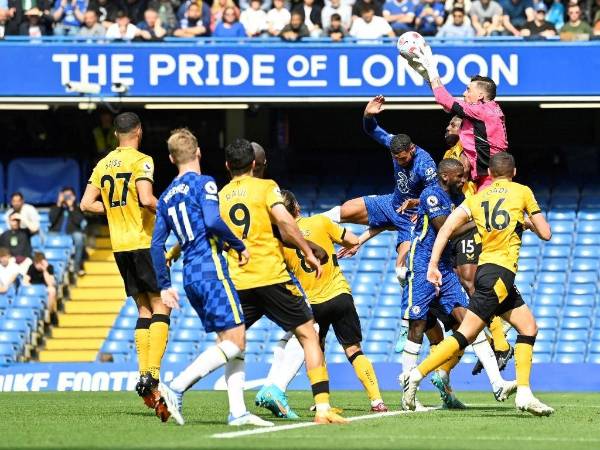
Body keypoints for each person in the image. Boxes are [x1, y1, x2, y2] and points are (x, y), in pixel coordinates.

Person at [404, 153, 554, 417]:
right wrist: (528, 221)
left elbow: (447, 229)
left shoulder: (476, 198)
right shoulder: (522, 192)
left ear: (491, 174)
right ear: (514, 171)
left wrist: (433, 264)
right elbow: (546, 233)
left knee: (529, 327)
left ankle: (524, 393)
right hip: (500, 274)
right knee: (466, 334)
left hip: (490, 273)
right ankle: (416, 375)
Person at [219, 138, 346, 424]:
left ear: (228, 165)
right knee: (308, 332)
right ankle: (319, 405)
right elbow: (286, 225)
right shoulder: (266, 188)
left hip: (239, 278)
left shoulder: (223, 195)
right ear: (256, 164)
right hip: (271, 276)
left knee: (230, 342)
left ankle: (180, 385)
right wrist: (308, 249)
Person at [150, 129, 271, 427]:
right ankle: (176, 387)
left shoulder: (165, 197)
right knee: (237, 339)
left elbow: (156, 245)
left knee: (231, 340)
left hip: (189, 275)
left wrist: (164, 286)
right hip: (212, 270)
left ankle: (238, 412)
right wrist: (239, 245)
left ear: (170, 158)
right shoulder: (204, 183)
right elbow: (213, 220)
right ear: (199, 152)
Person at [257, 189, 389, 417]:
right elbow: (352, 240)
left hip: (313, 305)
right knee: (354, 350)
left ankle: (322, 402)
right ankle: (377, 401)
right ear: (297, 207)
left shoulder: (282, 242)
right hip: (339, 296)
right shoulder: (320, 221)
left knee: (314, 350)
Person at [397, 158, 516, 409]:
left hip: (445, 268)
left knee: (469, 322)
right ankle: (408, 392)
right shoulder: (431, 195)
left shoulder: (458, 199)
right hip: (422, 265)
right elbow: (446, 229)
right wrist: (482, 222)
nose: (464, 180)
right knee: (417, 325)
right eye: (460, 176)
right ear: (446, 176)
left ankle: (497, 383)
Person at [80, 112, 170, 419]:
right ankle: (152, 374)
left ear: (117, 134)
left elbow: (85, 204)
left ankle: (145, 376)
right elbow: (146, 199)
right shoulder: (142, 160)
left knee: (143, 310)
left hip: (119, 246)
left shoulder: (103, 164)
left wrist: (115, 210)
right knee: (161, 306)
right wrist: (169, 211)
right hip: (143, 242)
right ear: (139, 132)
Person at [322, 95, 438, 287]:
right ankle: (304, 226)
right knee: (344, 210)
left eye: (403, 158)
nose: (399, 162)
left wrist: (419, 205)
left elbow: (436, 195)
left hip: (413, 218)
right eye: (396, 158)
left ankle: (416, 306)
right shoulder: (395, 143)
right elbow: (373, 130)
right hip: (392, 204)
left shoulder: (425, 165)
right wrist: (368, 116)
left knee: (402, 268)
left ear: (412, 149)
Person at [443, 116, 513, 375]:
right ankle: (497, 337)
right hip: (462, 217)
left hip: (473, 217)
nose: (447, 128)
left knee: (472, 281)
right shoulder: (451, 152)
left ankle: (501, 342)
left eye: (452, 125)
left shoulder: (468, 151)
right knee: (465, 281)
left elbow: (472, 172)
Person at [412, 46, 508, 190]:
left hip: (490, 180)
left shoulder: (482, 111)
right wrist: (428, 78)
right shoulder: (485, 109)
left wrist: (432, 71)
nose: (464, 93)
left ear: (481, 96)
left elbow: (444, 99)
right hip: (486, 177)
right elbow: (447, 104)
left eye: (468, 90)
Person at [49, 187, 87, 276]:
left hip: (72, 232)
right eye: (65, 195)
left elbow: (80, 221)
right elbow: (51, 220)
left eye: (69, 196)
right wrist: (59, 204)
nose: (66, 198)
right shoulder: (56, 207)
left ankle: (76, 266)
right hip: (56, 232)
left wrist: (71, 208)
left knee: (79, 238)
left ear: (73, 196)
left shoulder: (77, 208)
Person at [24, 251, 58, 326]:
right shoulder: (31, 267)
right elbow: (25, 281)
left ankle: (47, 312)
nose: (38, 265)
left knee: (52, 290)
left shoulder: (49, 267)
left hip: (45, 289)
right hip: (34, 289)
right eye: (37, 263)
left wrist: (44, 270)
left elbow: (50, 283)